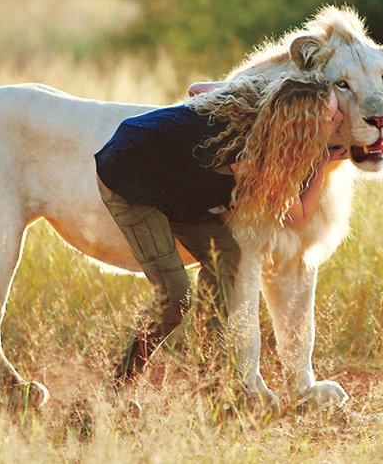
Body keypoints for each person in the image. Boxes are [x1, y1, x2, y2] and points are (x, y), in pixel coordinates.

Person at [94, 73, 347, 379]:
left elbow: (197, 89)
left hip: (175, 181)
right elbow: (297, 215)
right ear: (304, 128)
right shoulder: (253, 161)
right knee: (176, 297)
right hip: (128, 172)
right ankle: (120, 383)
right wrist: (321, 165)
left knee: (228, 252)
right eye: (334, 116)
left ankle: (212, 377)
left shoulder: (261, 104)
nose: (341, 119)